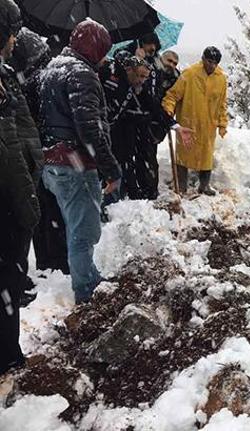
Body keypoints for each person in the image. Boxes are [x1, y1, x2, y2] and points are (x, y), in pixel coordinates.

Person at [39, 19, 121, 305]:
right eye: (103, 49)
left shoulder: (51, 69)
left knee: (73, 223)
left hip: (53, 159)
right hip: (75, 162)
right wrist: (111, 168)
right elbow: (90, 128)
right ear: (94, 46)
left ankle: (87, 275)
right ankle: (86, 289)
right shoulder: (81, 74)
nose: (105, 56)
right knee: (84, 228)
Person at [0, 0, 41, 375]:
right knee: (6, 281)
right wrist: (27, 200)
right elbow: (9, 147)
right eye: (11, 32)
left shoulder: (6, 74)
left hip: (11, 195)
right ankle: (7, 358)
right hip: (7, 200)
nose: (15, 39)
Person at [10, 27, 69, 275]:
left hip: (32, 152)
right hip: (38, 152)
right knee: (47, 209)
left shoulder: (21, 79)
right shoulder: (39, 79)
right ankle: (53, 261)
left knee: (38, 211)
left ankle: (46, 260)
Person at [100, 55, 193, 201]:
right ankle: (108, 198)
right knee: (109, 162)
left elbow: (154, 106)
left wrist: (175, 126)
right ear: (129, 70)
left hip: (112, 126)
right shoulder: (110, 76)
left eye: (146, 78)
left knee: (125, 160)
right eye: (140, 76)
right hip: (99, 127)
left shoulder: (137, 87)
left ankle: (127, 195)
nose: (142, 80)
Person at [162, 46, 228, 196]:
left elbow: (222, 103)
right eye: (209, 61)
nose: (211, 65)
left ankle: (204, 186)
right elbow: (172, 95)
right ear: (203, 59)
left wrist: (222, 123)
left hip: (208, 125)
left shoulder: (221, 78)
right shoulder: (189, 74)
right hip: (188, 123)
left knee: (206, 156)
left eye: (215, 63)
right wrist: (168, 109)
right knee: (183, 156)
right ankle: (181, 187)